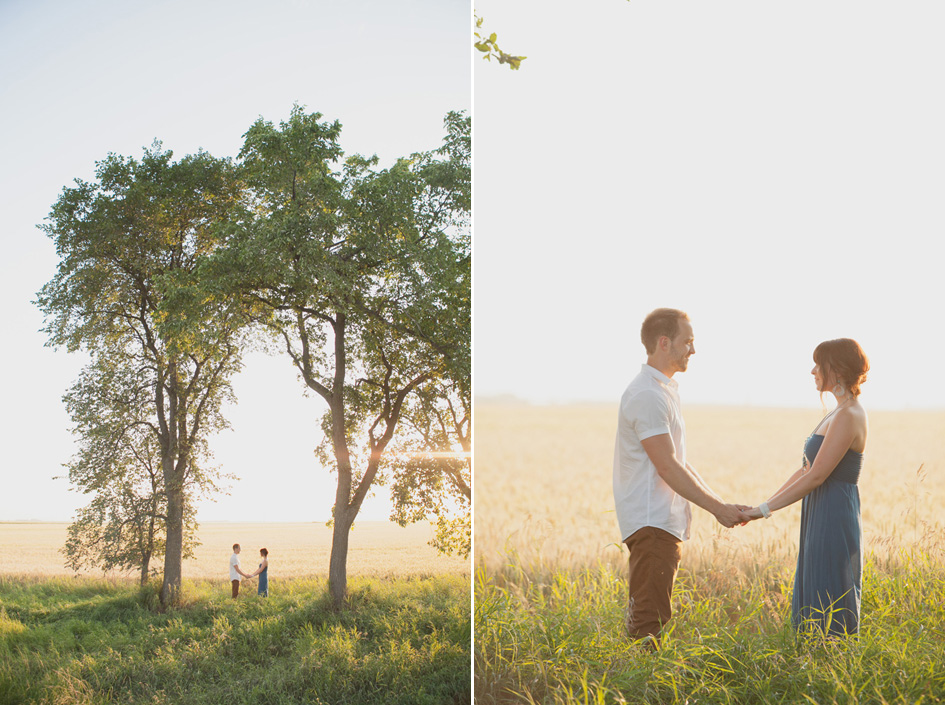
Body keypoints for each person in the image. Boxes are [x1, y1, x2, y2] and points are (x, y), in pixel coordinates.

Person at [613, 308, 750, 648]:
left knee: (649, 617)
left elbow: (679, 463)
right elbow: (667, 466)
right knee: (648, 624)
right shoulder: (648, 395)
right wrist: (717, 509)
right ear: (664, 343)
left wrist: (721, 504)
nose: (693, 350)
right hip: (652, 524)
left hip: (659, 524)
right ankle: (641, 691)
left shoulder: (661, 391)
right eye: (687, 341)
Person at [745, 338, 869, 637]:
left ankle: (832, 663)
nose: (813, 371)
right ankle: (814, 657)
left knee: (830, 586)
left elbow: (815, 477)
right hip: (820, 509)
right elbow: (805, 469)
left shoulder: (850, 414)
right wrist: (759, 506)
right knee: (816, 582)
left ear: (836, 369)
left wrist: (763, 511)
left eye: (819, 364)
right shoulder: (837, 412)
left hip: (833, 512)